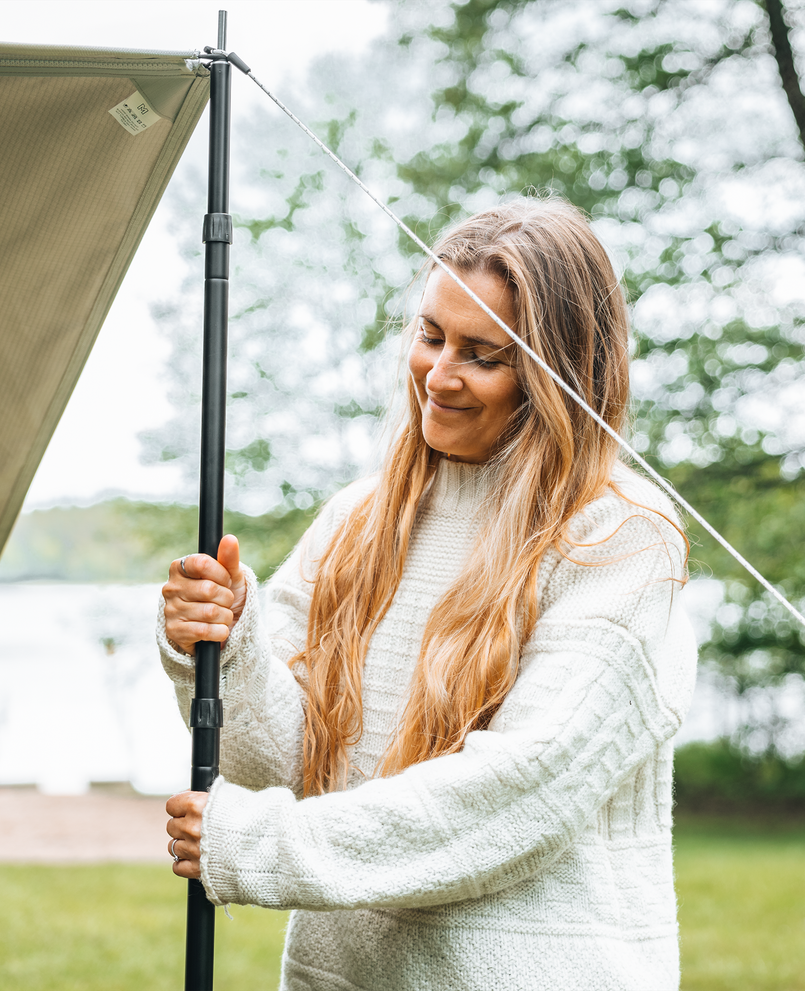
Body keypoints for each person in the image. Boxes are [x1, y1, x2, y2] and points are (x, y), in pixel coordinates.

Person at [159, 198, 697, 991]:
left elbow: (518, 793)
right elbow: (291, 766)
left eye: (481, 353)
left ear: (564, 373)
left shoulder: (621, 540)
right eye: (430, 335)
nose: (437, 375)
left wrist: (260, 847)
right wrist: (223, 649)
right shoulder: (359, 517)